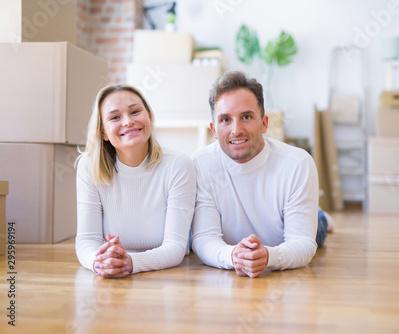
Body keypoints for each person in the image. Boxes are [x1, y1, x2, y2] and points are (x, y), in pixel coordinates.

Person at [191, 71, 329, 278]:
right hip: (237, 246)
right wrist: (234, 256)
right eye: (225, 120)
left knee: (318, 227)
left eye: (246, 117)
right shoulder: (199, 164)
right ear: (214, 129)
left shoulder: (298, 164)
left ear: (264, 123)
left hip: (281, 239)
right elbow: (204, 238)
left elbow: (301, 242)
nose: (236, 130)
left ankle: (320, 214)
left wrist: (268, 257)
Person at [75, 84, 196, 278]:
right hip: (111, 279)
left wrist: (130, 263)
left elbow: (176, 247)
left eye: (135, 112)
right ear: (104, 132)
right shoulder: (88, 167)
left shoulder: (179, 165)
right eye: (115, 117)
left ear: (150, 117)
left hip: (166, 279)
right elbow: (87, 240)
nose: (128, 121)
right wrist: (100, 263)